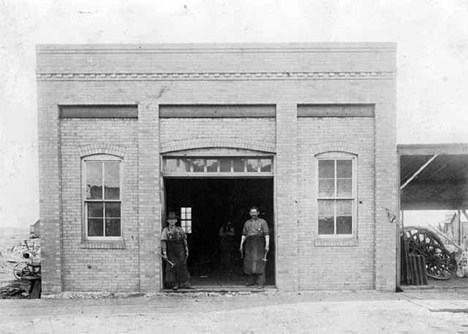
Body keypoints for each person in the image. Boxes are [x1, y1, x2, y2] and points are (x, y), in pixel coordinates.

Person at [239, 206, 269, 289]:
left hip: (259, 242)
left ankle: (260, 282)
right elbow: (244, 235)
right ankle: (250, 281)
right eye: (252, 212)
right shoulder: (247, 223)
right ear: (249, 213)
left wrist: (267, 245)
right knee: (248, 261)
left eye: (255, 212)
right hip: (249, 243)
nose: (253, 214)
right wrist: (241, 245)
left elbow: (266, 234)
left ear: (258, 213)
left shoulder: (263, 222)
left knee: (260, 261)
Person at [161, 211, 191, 290]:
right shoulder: (165, 231)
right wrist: (164, 253)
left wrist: (186, 250)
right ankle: (174, 284)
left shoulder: (180, 230)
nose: (172, 221)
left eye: (173, 219)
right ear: (167, 221)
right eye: (170, 220)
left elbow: (184, 240)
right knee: (172, 266)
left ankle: (184, 284)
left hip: (180, 250)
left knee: (182, 265)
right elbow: (163, 242)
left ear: (176, 221)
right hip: (171, 251)